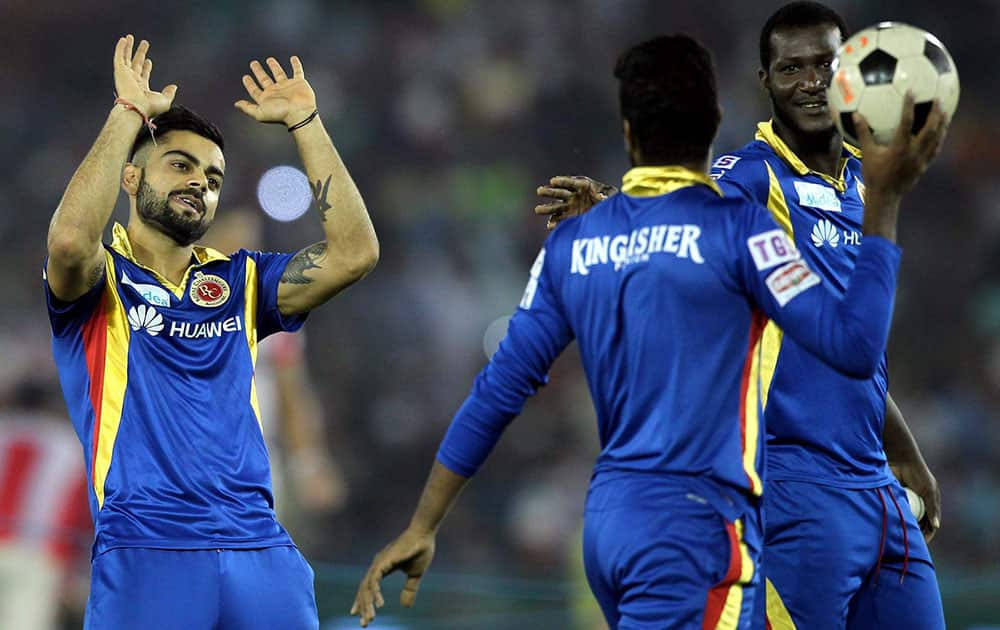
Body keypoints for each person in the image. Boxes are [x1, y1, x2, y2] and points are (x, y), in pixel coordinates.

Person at [351, 34, 947, 629]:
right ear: (715, 124)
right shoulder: (743, 232)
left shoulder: (573, 244)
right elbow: (853, 344)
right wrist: (886, 202)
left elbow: (496, 392)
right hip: (697, 528)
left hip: (611, 525)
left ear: (629, 132)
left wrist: (423, 523)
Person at [534, 4, 947, 628]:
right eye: (791, 69)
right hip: (793, 488)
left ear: (853, 74)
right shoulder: (755, 178)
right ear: (765, 82)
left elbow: (841, 344)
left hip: (878, 491)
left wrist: (903, 449)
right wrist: (615, 210)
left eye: (825, 65)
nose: (810, 81)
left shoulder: (868, 183)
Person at [44, 35, 378, 629]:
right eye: (180, 165)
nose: (201, 182)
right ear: (130, 178)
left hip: (262, 553)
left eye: (213, 176)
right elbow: (70, 242)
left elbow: (354, 254)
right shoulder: (100, 281)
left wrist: (306, 122)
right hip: (148, 550)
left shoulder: (242, 281)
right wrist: (127, 115)